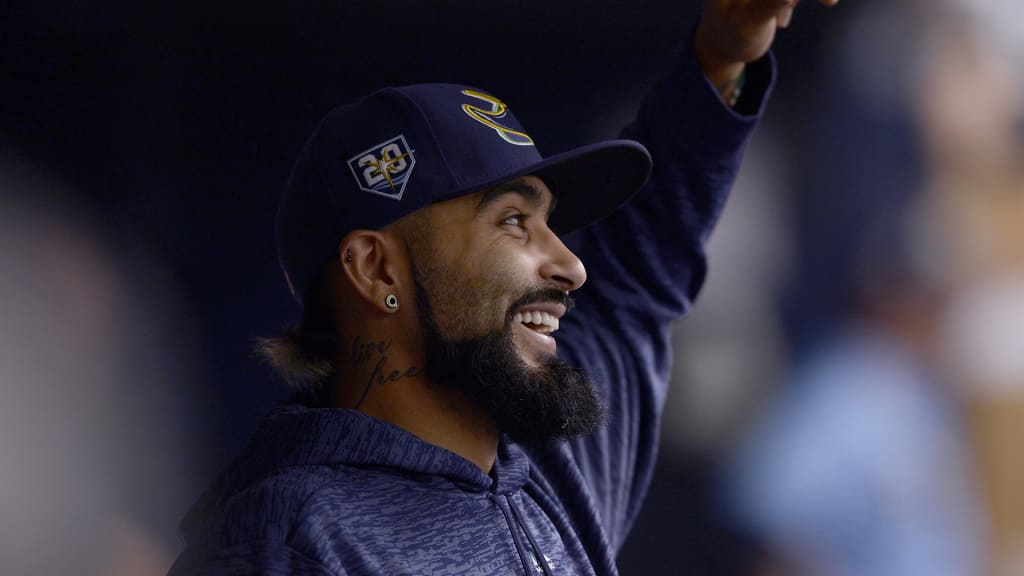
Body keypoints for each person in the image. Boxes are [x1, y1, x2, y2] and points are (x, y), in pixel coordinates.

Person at [169, 1, 836, 574]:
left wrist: (724, 53)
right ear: (377, 271)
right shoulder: (291, 541)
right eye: (514, 222)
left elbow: (637, 267)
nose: (570, 265)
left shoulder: (550, 466)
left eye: (550, 223)